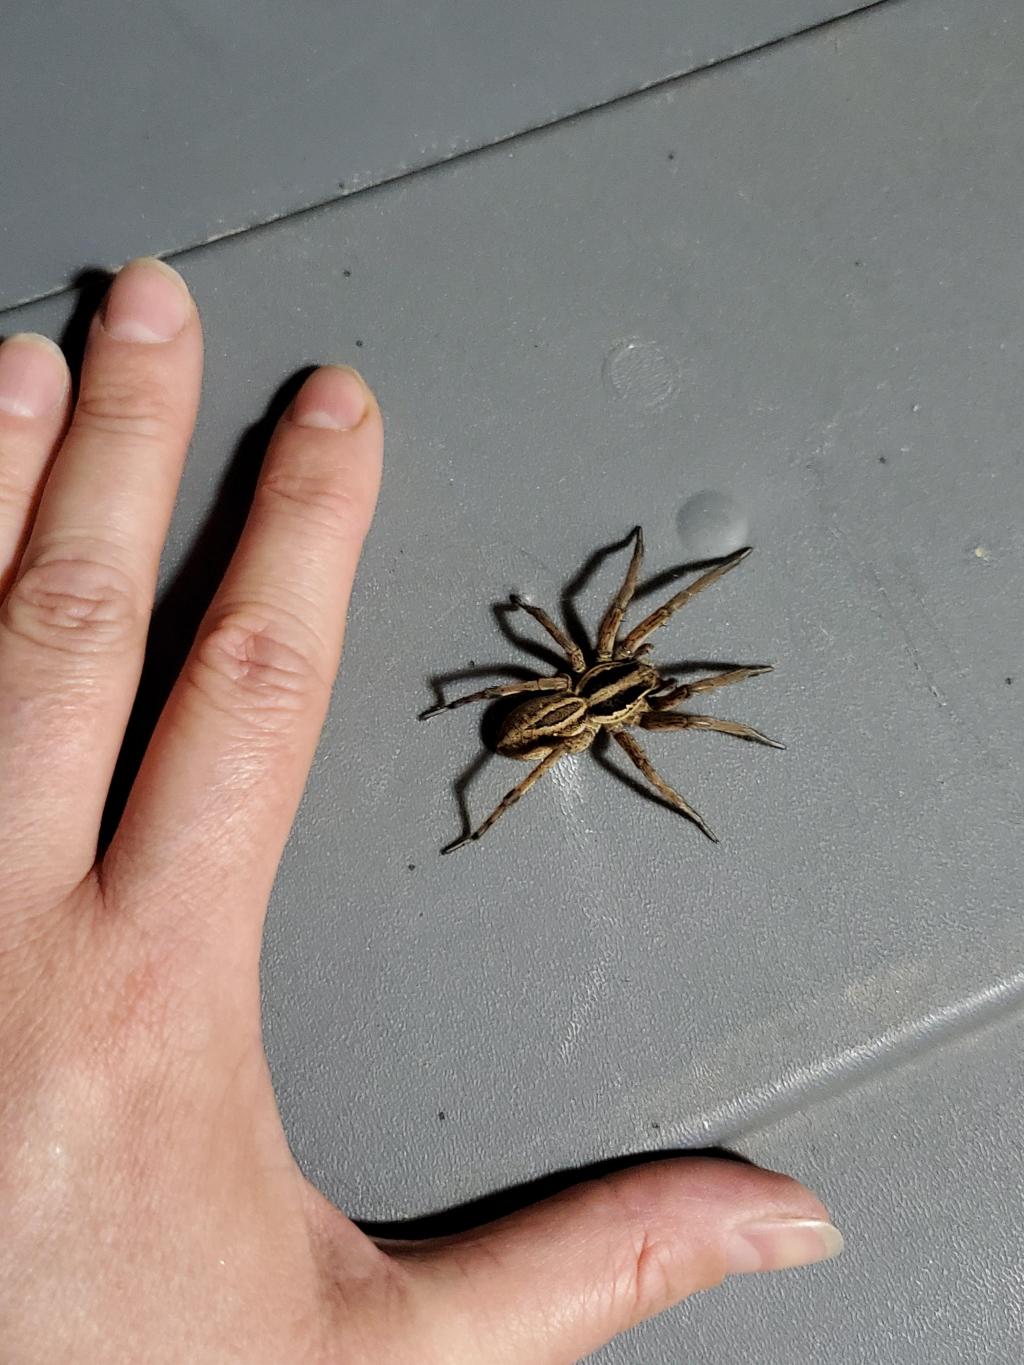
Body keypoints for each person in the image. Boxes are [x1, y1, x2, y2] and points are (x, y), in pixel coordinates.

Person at [0, 258, 842, 1363]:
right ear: (609, 683)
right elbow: (598, 644)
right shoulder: (597, 696)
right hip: (533, 722)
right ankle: (497, 800)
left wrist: (568, 674)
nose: (641, 679)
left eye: (637, 686)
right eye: (634, 678)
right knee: (563, 732)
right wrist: (526, 722)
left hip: (537, 715)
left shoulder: (596, 681)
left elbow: (579, 643)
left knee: (568, 725)